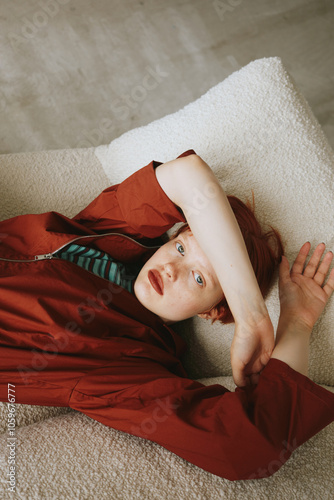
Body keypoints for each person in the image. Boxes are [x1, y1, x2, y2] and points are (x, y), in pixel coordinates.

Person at [0, 149, 333, 481]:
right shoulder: (109, 232)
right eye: (181, 248)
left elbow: (244, 444)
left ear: (211, 312)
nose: (172, 269)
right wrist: (252, 314)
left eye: (200, 278)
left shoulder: (131, 362)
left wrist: (297, 324)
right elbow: (188, 176)